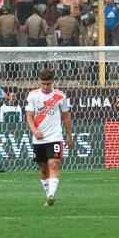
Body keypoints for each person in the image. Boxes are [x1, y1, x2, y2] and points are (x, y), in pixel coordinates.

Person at [24, 69, 73, 207]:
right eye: (44, 83)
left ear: (53, 82)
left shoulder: (60, 96)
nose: (46, 86)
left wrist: (69, 135)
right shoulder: (33, 95)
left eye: (49, 84)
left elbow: (66, 116)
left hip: (55, 136)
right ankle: (48, 196)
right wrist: (34, 130)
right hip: (38, 138)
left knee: (54, 164)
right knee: (43, 167)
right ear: (39, 82)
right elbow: (28, 115)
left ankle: (51, 195)